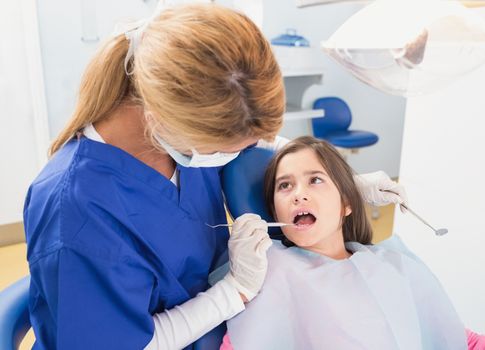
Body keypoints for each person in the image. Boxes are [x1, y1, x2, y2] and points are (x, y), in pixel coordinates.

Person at [23, 3, 408, 349]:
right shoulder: (75, 213)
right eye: (230, 147)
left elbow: (261, 139)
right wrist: (234, 290)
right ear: (162, 120)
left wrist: (348, 183)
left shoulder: (185, 138)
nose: (245, 152)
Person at [219, 136, 485, 350]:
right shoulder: (268, 274)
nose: (298, 194)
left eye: (315, 180)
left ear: (347, 202)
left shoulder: (393, 263)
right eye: (284, 186)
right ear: (275, 211)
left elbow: (458, 341)